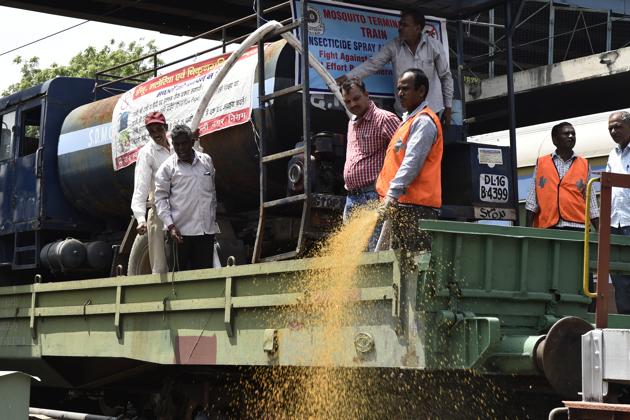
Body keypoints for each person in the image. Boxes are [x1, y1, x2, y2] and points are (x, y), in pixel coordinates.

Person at [336, 10, 453, 125]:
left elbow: (445, 77)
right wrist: (347, 77)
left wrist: (448, 107)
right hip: (404, 113)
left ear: (417, 28)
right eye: (400, 24)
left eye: (405, 25)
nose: (400, 28)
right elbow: (373, 64)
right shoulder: (394, 46)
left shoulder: (434, 46)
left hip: (431, 111)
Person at [375, 68, 442, 252]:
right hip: (404, 204)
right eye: (398, 89)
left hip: (415, 208)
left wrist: (392, 194)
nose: (400, 94)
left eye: (405, 89)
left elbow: (412, 162)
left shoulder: (424, 122)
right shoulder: (409, 121)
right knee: (398, 267)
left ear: (421, 91)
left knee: (411, 268)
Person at [341, 77, 400, 250]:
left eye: (356, 98)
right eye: (347, 101)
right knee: (351, 254)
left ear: (367, 95)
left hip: (373, 195)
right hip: (351, 198)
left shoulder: (384, 119)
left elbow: (403, 154)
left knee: (373, 253)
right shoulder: (352, 122)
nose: (352, 104)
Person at [154, 124, 219, 271]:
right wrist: (170, 226)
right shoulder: (167, 168)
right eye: (177, 145)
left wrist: (212, 222)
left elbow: (212, 194)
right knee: (179, 284)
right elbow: (160, 199)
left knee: (205, 281)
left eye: (184, 143)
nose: (181, 148)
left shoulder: (206, 161)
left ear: (191, 142)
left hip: (205, 233)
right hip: (179, 235)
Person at [525, 122, 599, 231]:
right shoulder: (541, 163)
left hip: (578, 228)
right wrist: (528, 231)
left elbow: (591, 202)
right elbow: (532, 201)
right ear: (555, 140)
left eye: (573, 134)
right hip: (548, 227)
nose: (571, 136)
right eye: (566, 133)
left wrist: (599, 231)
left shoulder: (584, 164)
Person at [130, 111, 173, 274]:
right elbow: (140, 189)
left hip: (182, 209)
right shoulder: (147, 153)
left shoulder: (176, 145)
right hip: (160, 211)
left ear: (166, 128)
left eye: (158, 129)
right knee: (160, 266)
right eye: (151, 131)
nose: (156, 134)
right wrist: (141, 219)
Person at [606, 111, 630, 314]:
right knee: (619, 276)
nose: (614, 131)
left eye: (618, 127)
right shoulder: (612, 155)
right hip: (616, 223)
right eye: (611, 128)